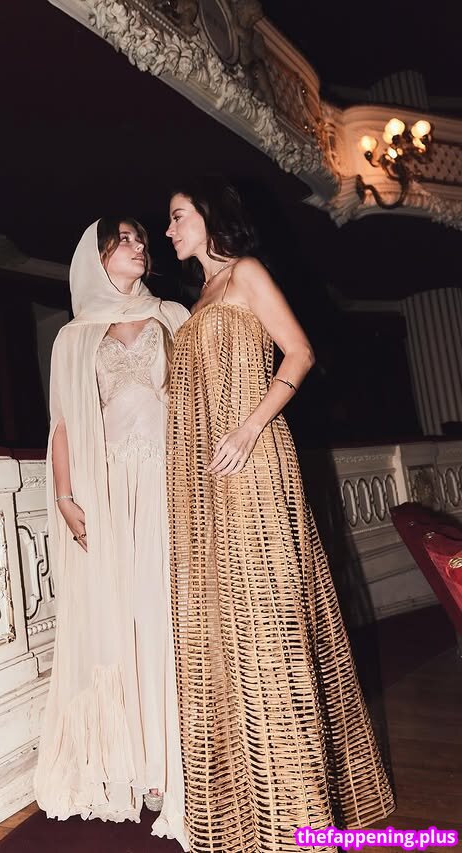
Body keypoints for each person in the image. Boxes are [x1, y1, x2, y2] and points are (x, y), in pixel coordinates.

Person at [164, 181, 394, 853]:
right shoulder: (196, 300)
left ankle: (298, 812)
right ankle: (250, 809)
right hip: (210, 480)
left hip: (255, 461)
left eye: (177, 217)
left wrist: (248, 427)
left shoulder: (245, 274)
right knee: (229, 624)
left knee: (270, 624)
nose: (169, 229)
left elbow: (300, 351)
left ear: (209, 216)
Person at [34, 217, 190, 849]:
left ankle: (177, 761)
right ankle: (138, 762)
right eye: (124, 239)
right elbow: (64, 423)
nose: (139, 245)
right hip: (107, 488)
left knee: (166, 612)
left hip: (169, 483)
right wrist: (65, 496)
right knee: (120, 614)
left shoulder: (173, 316)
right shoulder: (73, 336)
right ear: (96, 257)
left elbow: (198, 401)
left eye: (141, 239)